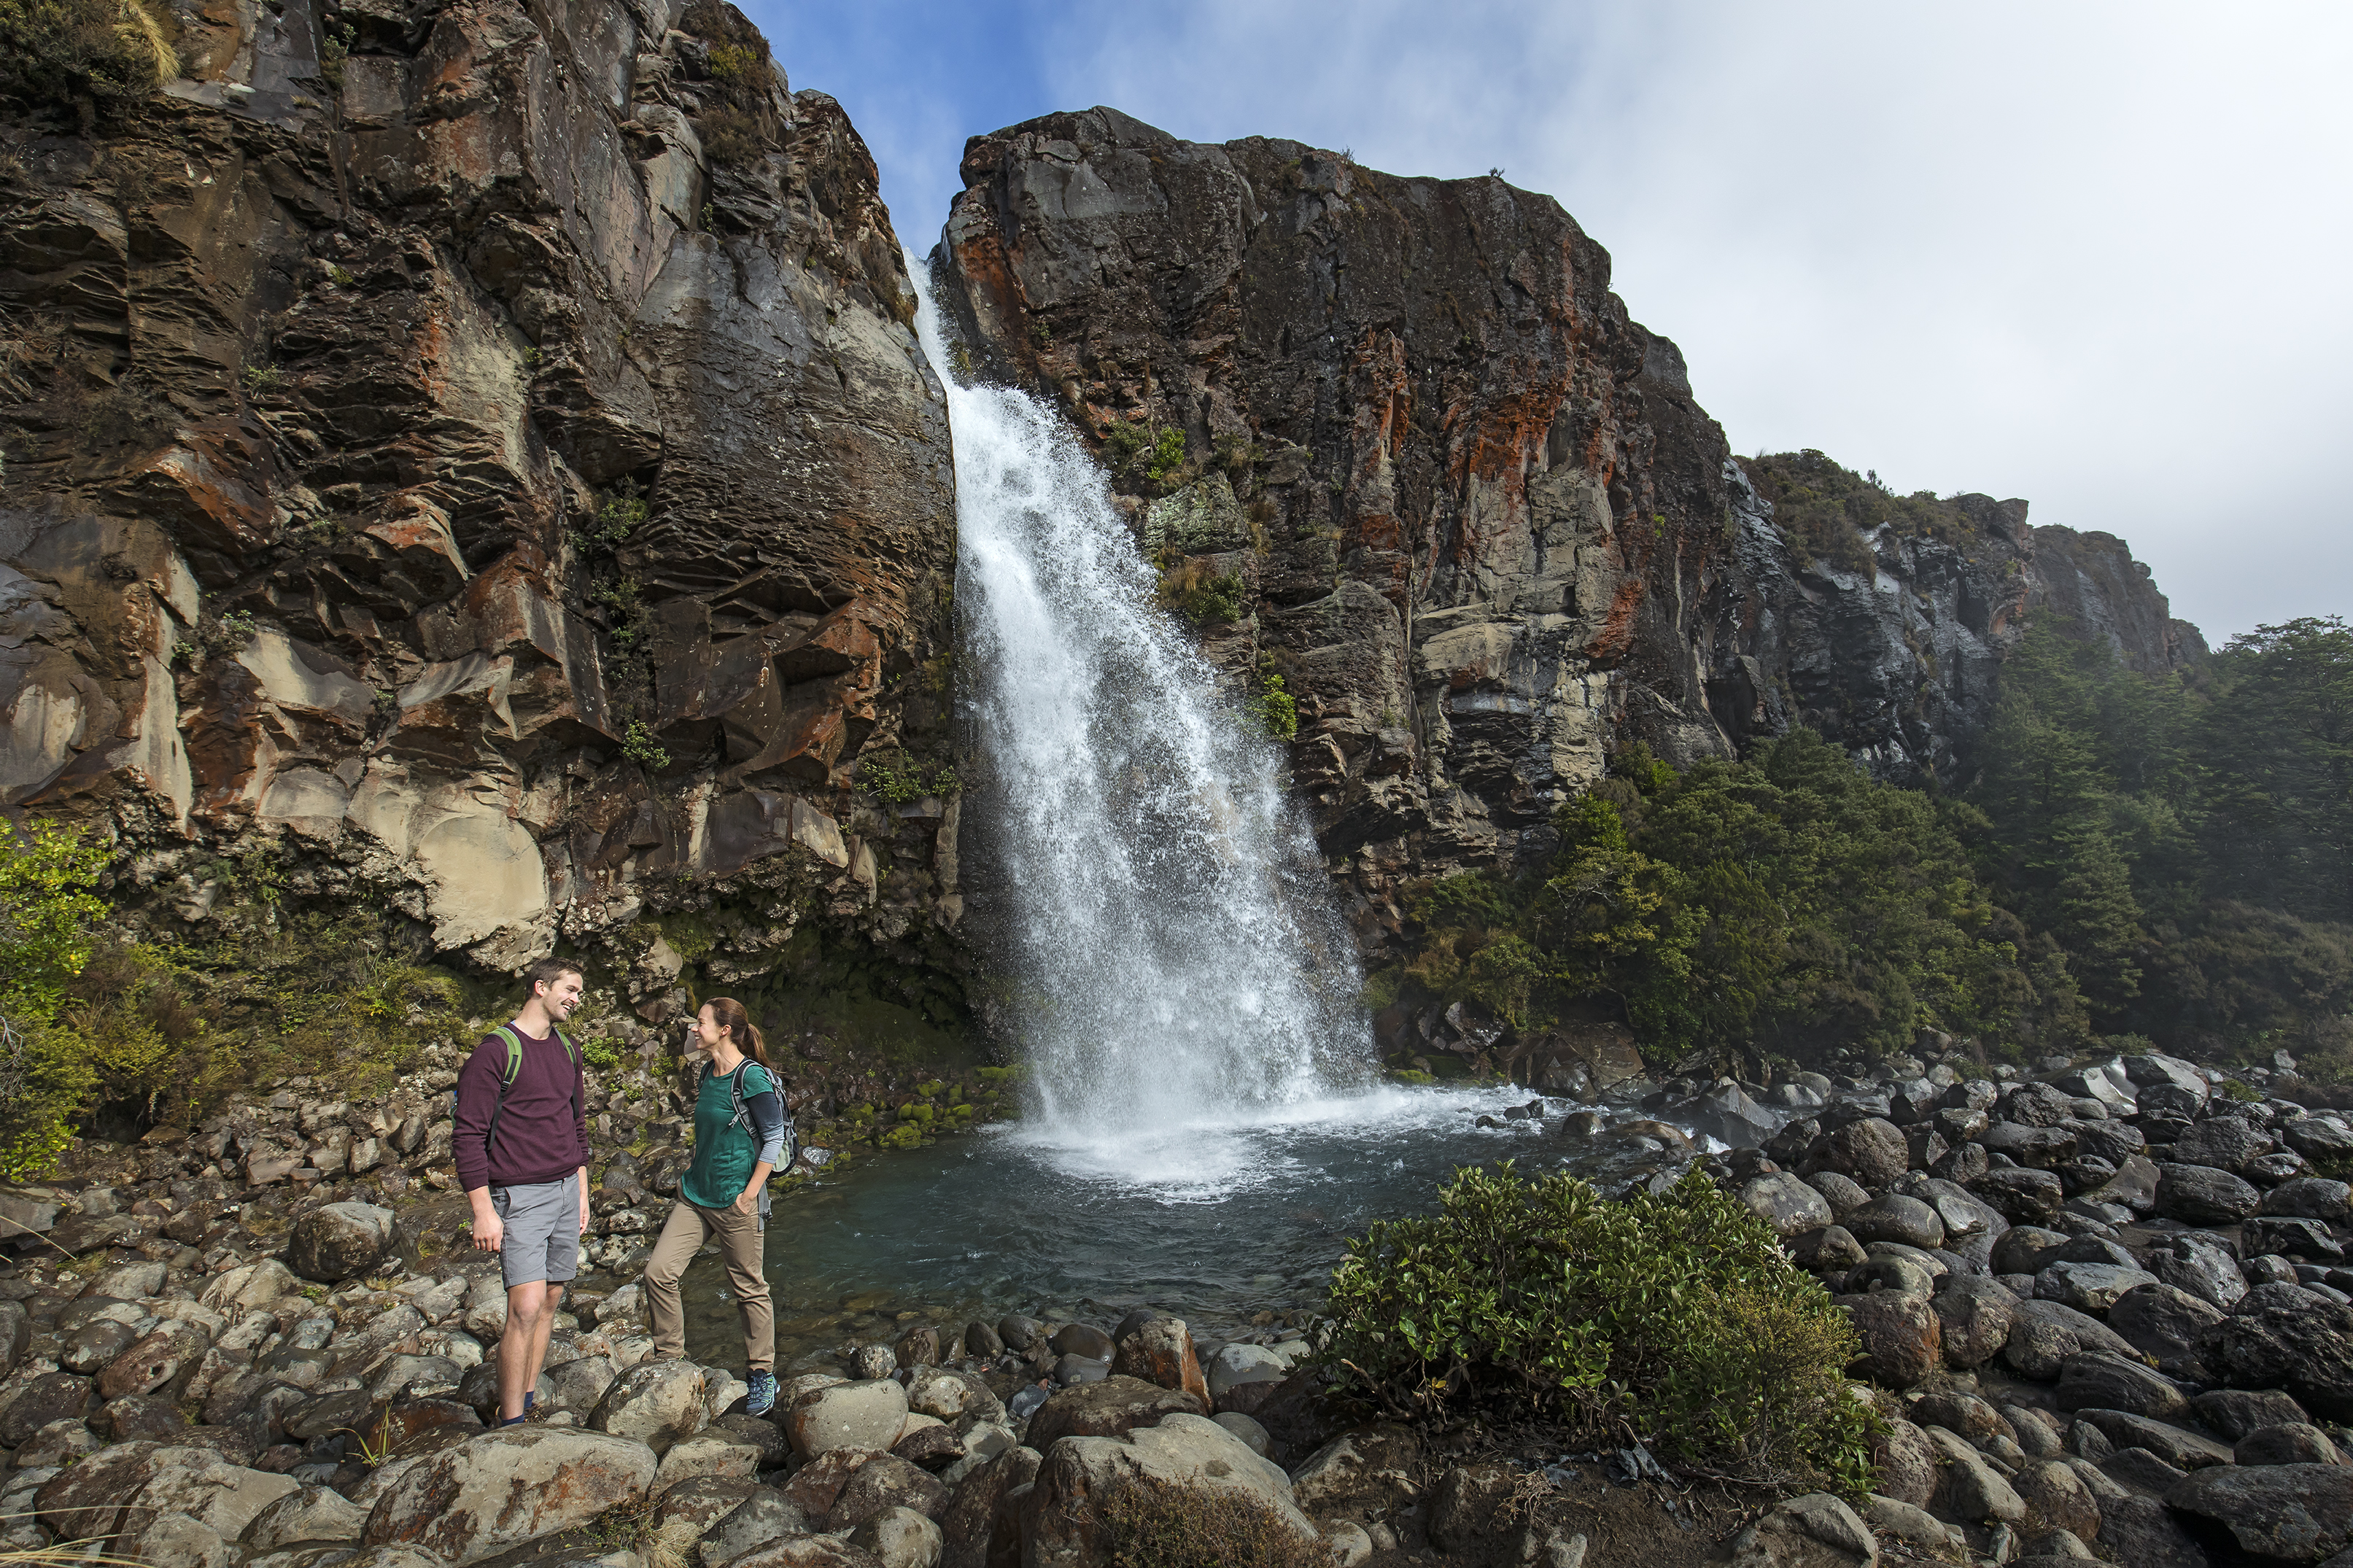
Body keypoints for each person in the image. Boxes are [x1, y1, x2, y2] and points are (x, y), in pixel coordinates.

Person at [453, 957, 592, 1427]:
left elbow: (577, 1126)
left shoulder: (568, 1050)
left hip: (566, 1189)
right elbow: (468, 1134)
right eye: (569, 990)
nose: (576, 999)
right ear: (540, 988)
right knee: (525, 1306)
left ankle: (527, 1400)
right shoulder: (495, 1052)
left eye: (578, 991)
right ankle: (510, 1424)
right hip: (520, 1195)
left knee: (551, 1300)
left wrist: (583, 1192)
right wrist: (482, 1211)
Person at [643, 996, 786, 1417]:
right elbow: (689, 1049)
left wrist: (748, 1195)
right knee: (658, 1273)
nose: (694, 1026)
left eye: (701, 1021)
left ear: (725, 1030)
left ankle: (762, 1374)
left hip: (736, 1200)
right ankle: (671, 1358)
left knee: (749, 1288)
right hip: (696, 1194)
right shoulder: (709, 1069)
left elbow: (773, 1138)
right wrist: (695, 1035)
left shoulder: (753, 1078)